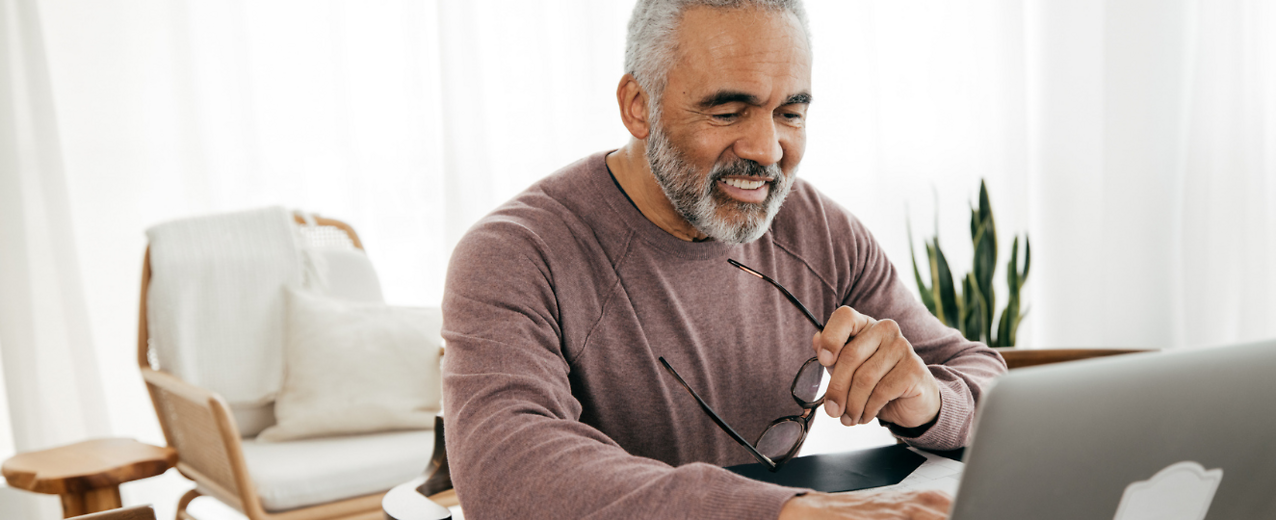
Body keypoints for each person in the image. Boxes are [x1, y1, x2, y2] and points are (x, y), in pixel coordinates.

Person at [440, 1, 1006, 518]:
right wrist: (786, 513)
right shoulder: (513, 254)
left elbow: (985, 380)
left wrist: (930, 401)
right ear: (639, 107)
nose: (767, 150)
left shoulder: (820, 230)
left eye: (790, 113)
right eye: (730, 111)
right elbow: (507, 471)